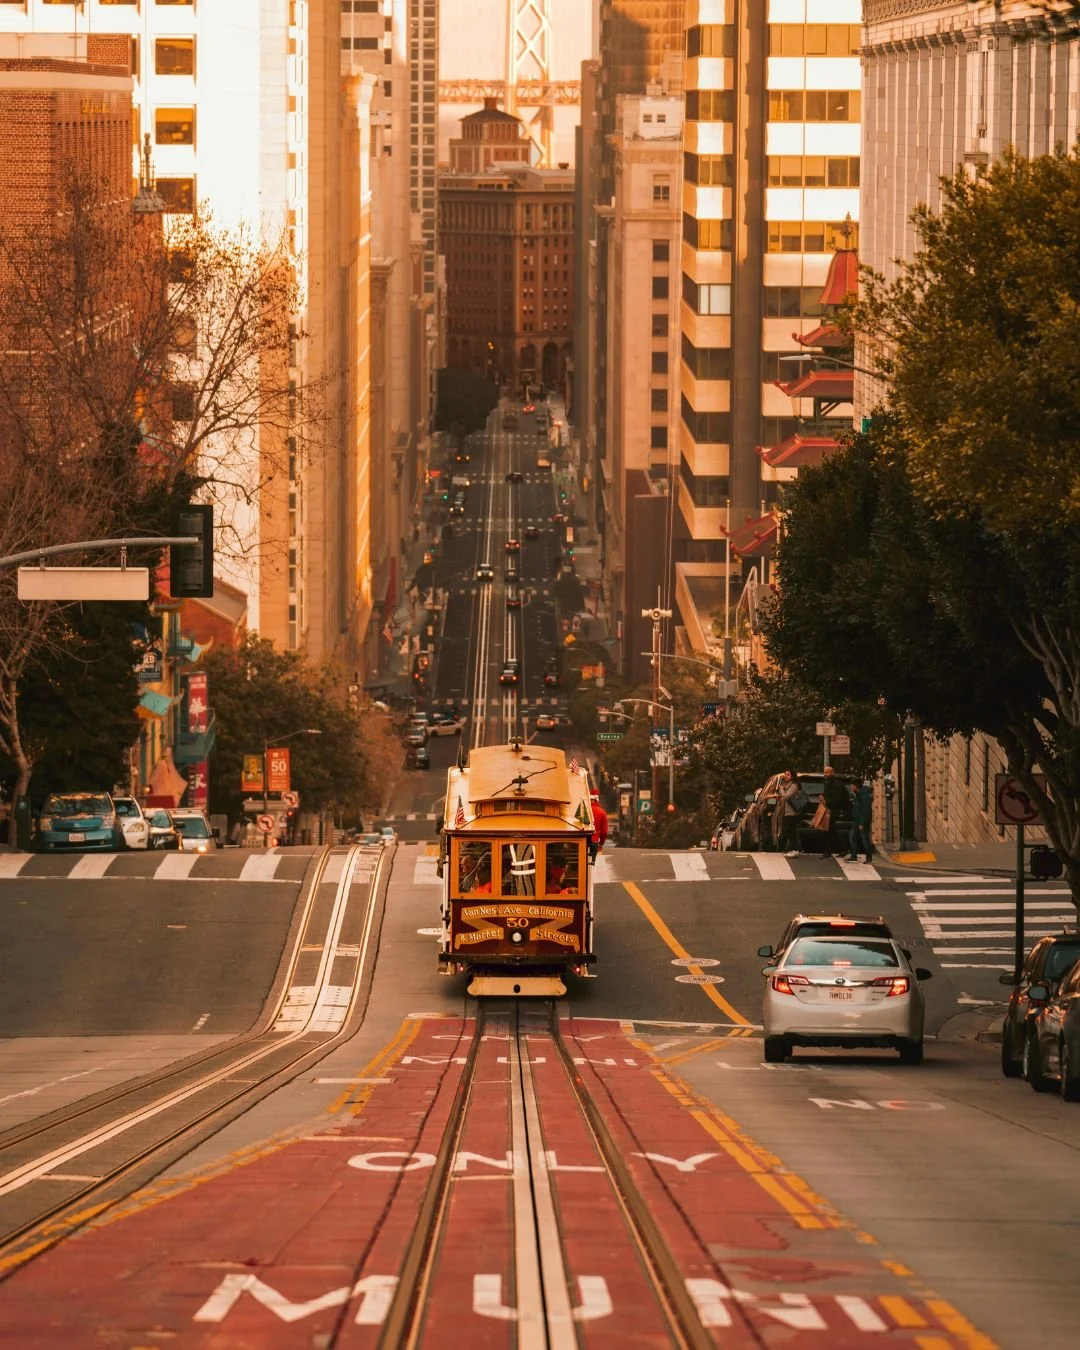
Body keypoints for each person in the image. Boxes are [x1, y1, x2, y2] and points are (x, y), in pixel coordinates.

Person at [820, 766, 851, 857]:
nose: (825, 774)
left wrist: (825, 801)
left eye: (827, 772)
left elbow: (837, 799)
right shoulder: (828, 783)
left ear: (832, 773)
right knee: (831, 831)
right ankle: (843, 849)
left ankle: (829, 851)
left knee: (828, 831)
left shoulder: (836, 784)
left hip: (833, 810)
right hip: (829, 810)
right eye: (824, 772)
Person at [778, 769, 806, 856]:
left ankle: (795, 849)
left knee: (789, 830)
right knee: (790, 830)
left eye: (788, 775)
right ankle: (794, 848)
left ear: (792, 776)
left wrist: (781, 789)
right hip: (787, 812)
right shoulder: (787, 785)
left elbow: (786, 796)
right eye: (785, 774)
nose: (785, 776)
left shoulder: (794, 785)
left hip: (793, 812)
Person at [847, 778, 874, 863]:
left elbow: (866, 810)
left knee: (864, 839)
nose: (851, 787)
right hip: (857, 820)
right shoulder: (858, 794)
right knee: (852, 837)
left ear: (855, 786)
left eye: (852, 785)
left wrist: (862, 823)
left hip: (862, 821)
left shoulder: (864, 795)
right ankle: (853, 855)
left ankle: (869, 857)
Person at [588, 792, 608, 863]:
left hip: (582, 842)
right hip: (594, 842)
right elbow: (604, 832)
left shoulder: (583, 810)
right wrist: (601, 843)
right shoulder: (602, 812)